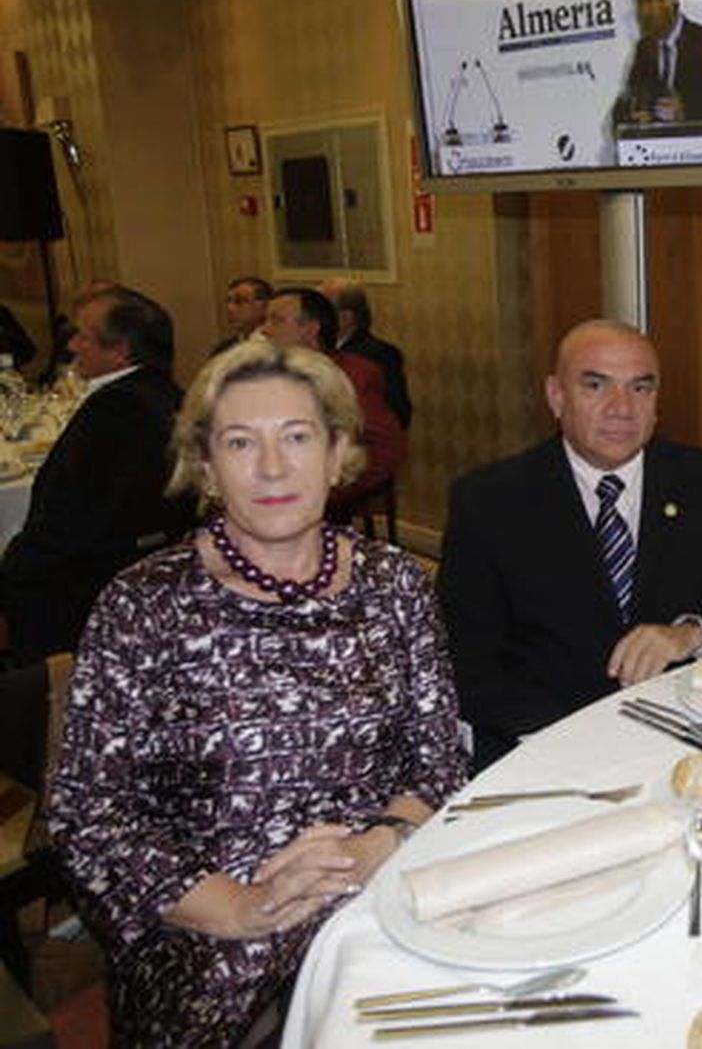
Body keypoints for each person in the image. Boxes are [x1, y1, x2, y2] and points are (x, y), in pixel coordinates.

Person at [47, 339, 466, 1047]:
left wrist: (374, 850)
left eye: (297, 438)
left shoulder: (396, 586)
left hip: (372, 906)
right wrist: (244, 908)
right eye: (241, 443)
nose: (273, 468)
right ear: (206, 466)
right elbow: (88, 816)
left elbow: (437, 765)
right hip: (208, 943)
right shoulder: (144, 604)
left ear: (338, 454)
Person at [440, 319, 702, 769]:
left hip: (690, 739)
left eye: (640, 388)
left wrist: (690, 634)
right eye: (596, 385)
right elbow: (464, 661)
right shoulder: (490, 501)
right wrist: (581, 740)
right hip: (548, 747)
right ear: (556, 396)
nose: (621, 408)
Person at [0, 285, 192, 664]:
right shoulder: (165, 392)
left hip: (84, 588)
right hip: (142, 563)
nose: (71, 346)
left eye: (83, 337)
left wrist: (11, 570)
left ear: (121, 351)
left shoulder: (118, 409)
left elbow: (74, 519)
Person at [262, 286, 406, 516]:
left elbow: (386, 448)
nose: (265, 330)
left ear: (310, 329)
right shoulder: (263, 375)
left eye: (276, 321)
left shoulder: (351, 376)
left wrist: (332, 490)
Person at [614, 0, 702, 133]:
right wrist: (633, 117)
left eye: (648, 1)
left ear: (669, 0)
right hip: (655, 152)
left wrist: (684, 113)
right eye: (640, 3)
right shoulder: (644, 48)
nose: (642, 12)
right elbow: (625, 106)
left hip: (694, 152)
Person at [319, 277, 412, 429]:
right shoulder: (313, 350)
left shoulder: (380, 354)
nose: (314, 317)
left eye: (322, 311)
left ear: (345, 317)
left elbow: (398, 416)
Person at [212, 276, 273, 357]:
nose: (230, 308)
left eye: (238, 301)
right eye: (229, 301)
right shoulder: (223, 348)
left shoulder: (276, 347)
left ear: (263, 305)